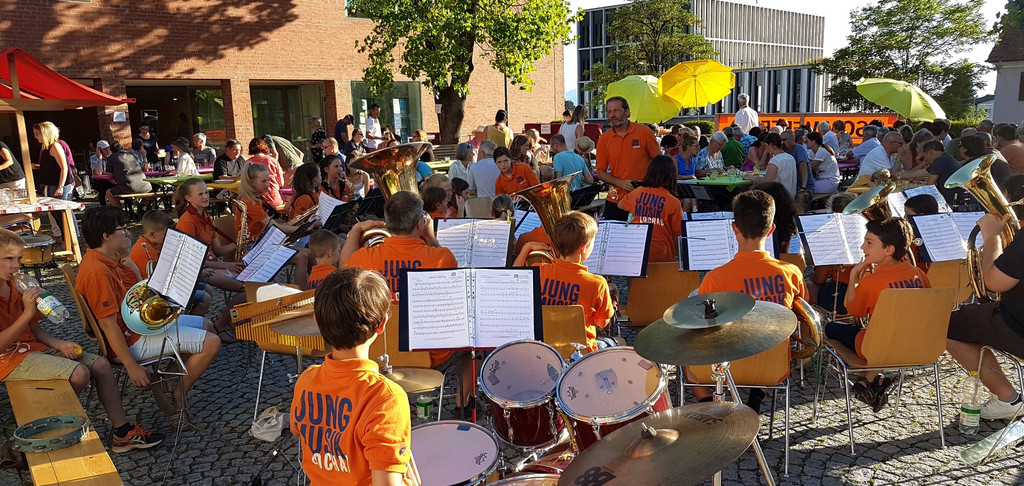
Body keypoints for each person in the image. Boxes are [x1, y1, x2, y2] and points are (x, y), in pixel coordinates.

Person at [0, 228, 166, 452]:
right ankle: (48, 424)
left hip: (31, 350)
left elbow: (35, 330)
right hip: (8, 360)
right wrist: (28, 313)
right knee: (80, 372)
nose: (16, 265)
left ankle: (122, 432)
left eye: (19, 259)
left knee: (100, 364)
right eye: (8, 259)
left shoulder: (16, 285)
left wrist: (61, 344)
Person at [76, 206, 221, 424]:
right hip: (129, 339)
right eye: (121, 229)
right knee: (212, 343)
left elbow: (136, 295)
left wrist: (132, 267)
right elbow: (107, 325)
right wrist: (131, 366)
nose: (127, 234)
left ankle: (166, 382)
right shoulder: (98, 272)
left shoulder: (107, 259)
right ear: (106, 236)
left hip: (135, 327)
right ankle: (178, 396)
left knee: (207, 325)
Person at [290, 267, 415, 486]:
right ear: (382, 324)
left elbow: (296, 429)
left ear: (317, 323)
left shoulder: (306, 380)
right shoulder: (386, 398)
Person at [687, 190, 806, 407]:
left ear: (734, 228)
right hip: (773, 364)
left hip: (728, 363)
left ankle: (708, 404)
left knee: (686, 355)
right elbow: (802, 317)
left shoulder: (716, 278)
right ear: (771, 230)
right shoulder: (792, 272)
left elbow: (701, 326)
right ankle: (754, 401)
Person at [342, 191, 458, 367]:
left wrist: (356, 230)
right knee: (471, 355)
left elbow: (341, 275)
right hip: (429, 353)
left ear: (387, 224)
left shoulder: (364, 257)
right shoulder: (443, 257)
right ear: (421, 223)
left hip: (376, 349)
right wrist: (429, 236)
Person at [824, 218, 929, 412]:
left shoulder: (871, 281)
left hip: (877, 347)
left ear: (888, 249)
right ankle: (874, 380)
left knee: (831, 327)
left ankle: (867, 380)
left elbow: (852, 311)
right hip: (919, 345)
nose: (863, 247)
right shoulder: (918, 274)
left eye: (869, 243)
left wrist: (855, 274)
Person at [946, 199, 1024, 420]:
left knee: (949, 326)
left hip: (1017, 324)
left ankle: (1008, 399)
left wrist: (992, 237)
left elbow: (993, 283)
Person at [514, 212, 614, 352]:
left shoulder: (538, 271)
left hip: (544, 348)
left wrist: (527, 248)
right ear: (583, 247)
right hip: (581, 353)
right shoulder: (597, 283)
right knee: (616, 341)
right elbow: (602, 322)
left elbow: (513, 279)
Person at [596, 97, 660, 221]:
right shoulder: (604, 138)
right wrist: (620, 182)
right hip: (615, 199)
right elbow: (600, 172)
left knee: (643, 238)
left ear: (627, 112)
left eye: (616, 110)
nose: (613, 115)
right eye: (609, 112)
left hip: (644, 199)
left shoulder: (644, 132)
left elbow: (659, 163)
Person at [617, 155, 683, 262]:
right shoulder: (673, 202)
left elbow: (620, 204)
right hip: (662, 255)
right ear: (671, 176)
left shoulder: (636, 193)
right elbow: (678, 234)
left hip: (636, 253)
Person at [894, 140, 960, 202]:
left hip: (954, 201)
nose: (925, 159)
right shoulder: (945, 157)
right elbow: (914, 174)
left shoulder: (939, 161)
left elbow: (929, 185)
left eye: (925, 156)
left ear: (931, 152)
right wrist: (896, 174)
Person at [745, 133, 797, 197]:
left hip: (780, 196)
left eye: (766, 146)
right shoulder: (790, 157)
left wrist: (752, 178)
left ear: (771, 145)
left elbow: (767, 181)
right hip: (791, 194)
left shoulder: (775, 160)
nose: (766, 148)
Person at [33, 122, 73, 200]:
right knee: (55, 211)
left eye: (37, 134)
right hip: (51, 184)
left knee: (62, 210)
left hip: (59, 185)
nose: (35, 137)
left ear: (45, 133)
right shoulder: (45, 147)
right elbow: (51, 166)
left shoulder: (55, 146)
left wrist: (60, 186)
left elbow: (64, 167)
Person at [105, 141, 153, 207]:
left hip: (129, 187)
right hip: (146, 186)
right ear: (122, 148)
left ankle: (120, 213)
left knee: (108, 193)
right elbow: (144, 168)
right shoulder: (132, 155)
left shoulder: (112, 157)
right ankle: (142, 208)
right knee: (146, 194)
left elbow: (109, 175)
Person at [246, 137, 285, 210]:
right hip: (274, 199)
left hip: (256, 201)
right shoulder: (273, 161)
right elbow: (281, 183)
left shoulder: (248, 163)